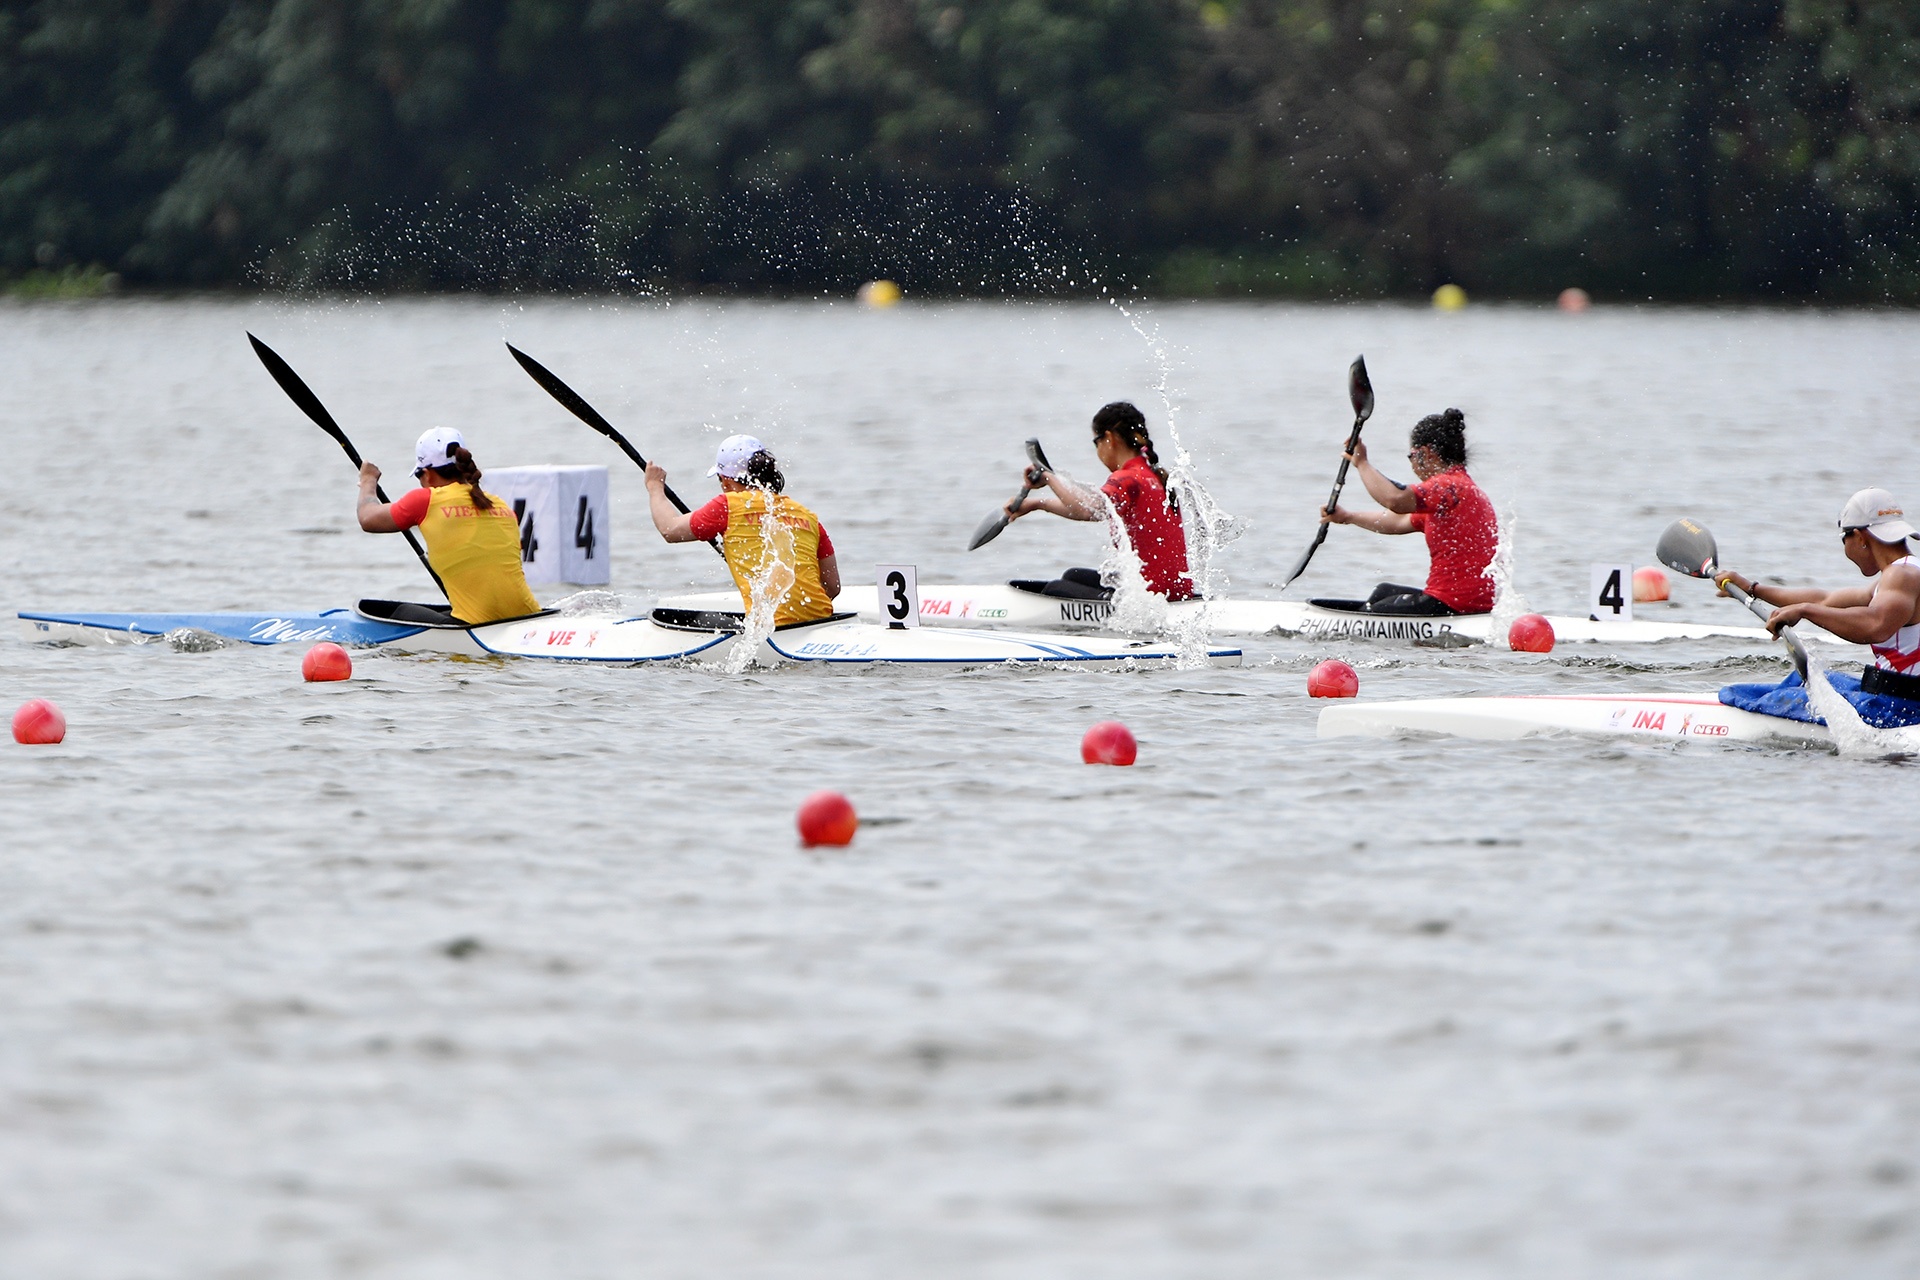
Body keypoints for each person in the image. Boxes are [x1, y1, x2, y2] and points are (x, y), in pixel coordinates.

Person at [1716, 487, 1920, 728]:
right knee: (1802, 680)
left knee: (1771, 698)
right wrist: (1752, 588)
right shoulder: (1903, 573)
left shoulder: (1902, 575)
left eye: (1845, 539)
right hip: (1896, 697)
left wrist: (1804, 611)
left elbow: (1875, 625)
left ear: (1860, 537)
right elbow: (1824, 599)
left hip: (1899, 709)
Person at [1002, 401, 1195, 601]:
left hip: (1152, 597)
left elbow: (1087, 509)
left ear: (1109, 438)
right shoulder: (1153, 475)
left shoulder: (1126, 478)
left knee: (1056, 590)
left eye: (1096, 442)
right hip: (1175, 590)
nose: (1097, 451)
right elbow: (1090, 508)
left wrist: (1049, 477)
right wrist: (1036, 504)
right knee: (1073, 576)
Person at [1318, 407, 1497, 615]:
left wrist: (1362, 463)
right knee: (1382, 592)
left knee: (1378, 610)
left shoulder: (1449, 487)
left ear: (1426, 454)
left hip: (1453, 605)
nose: (1412, 464)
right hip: (1472, 605)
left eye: (1411, 456)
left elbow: (1394, 499)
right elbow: (1396, 521)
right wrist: (1348, 517)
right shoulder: (1462, 492)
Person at [646, 434, 840, 626]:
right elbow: (832, 587)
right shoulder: (807, 516)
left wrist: (655, 487)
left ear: (726, 481)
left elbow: (669, 529)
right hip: (822, 620)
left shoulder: (727, 505)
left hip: (774, 628)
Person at [356, 427, 541, 625]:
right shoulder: (500, 504)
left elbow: (367, 518)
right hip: (530, 615)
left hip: (479, 624)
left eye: (419, 476)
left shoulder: (425, 500)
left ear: (426, 474)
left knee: (389, 611)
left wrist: (368, 480)